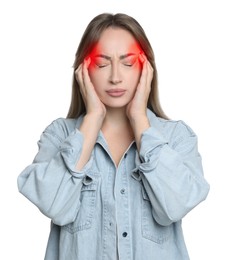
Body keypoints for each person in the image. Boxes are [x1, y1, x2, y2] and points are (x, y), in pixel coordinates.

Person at [17, 13, 210, 260]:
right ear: (83, 70)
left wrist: (140, 119)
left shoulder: (176, 137)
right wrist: (93, 118)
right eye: (102, 63)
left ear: (146, 68)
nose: (116, 76)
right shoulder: (59, 135)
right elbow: (53, 205)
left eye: (128, 63)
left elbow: (175, 206)